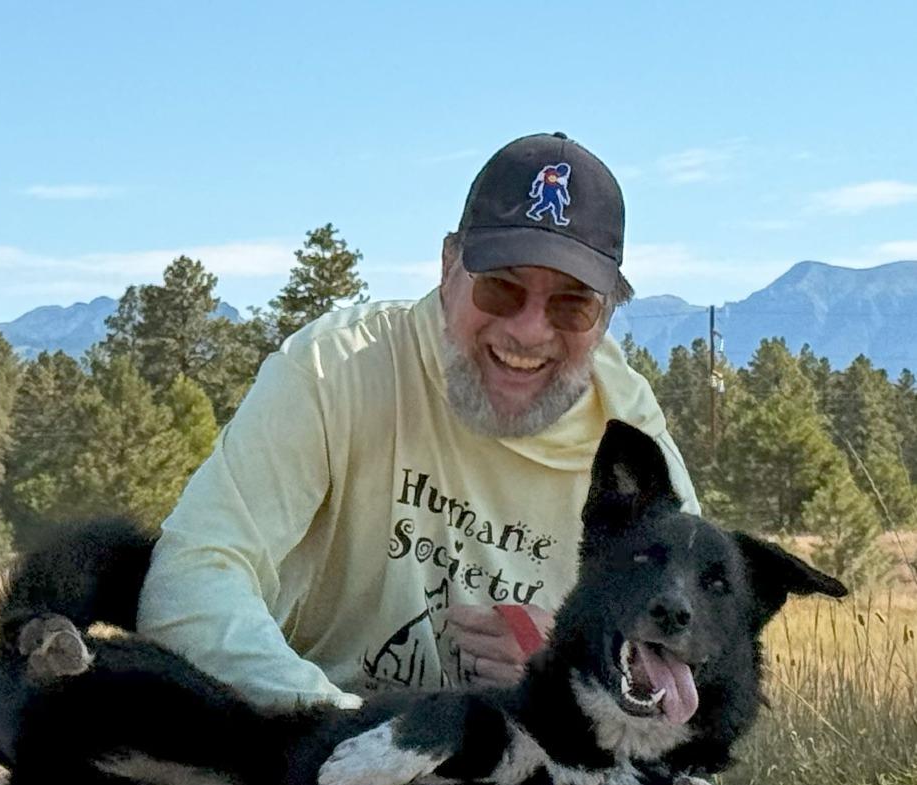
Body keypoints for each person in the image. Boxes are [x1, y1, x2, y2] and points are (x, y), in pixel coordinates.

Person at [133, 131, 699, 713]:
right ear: (448, 266)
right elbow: (191, 581)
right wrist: (345, 731)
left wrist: (573, 658)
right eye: (501, 287)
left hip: (519, 772)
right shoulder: (338, 369)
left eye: (572, 303)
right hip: (314, 752)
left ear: (606, 316)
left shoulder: (628, 434)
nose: (530, 330)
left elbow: (690, 660)